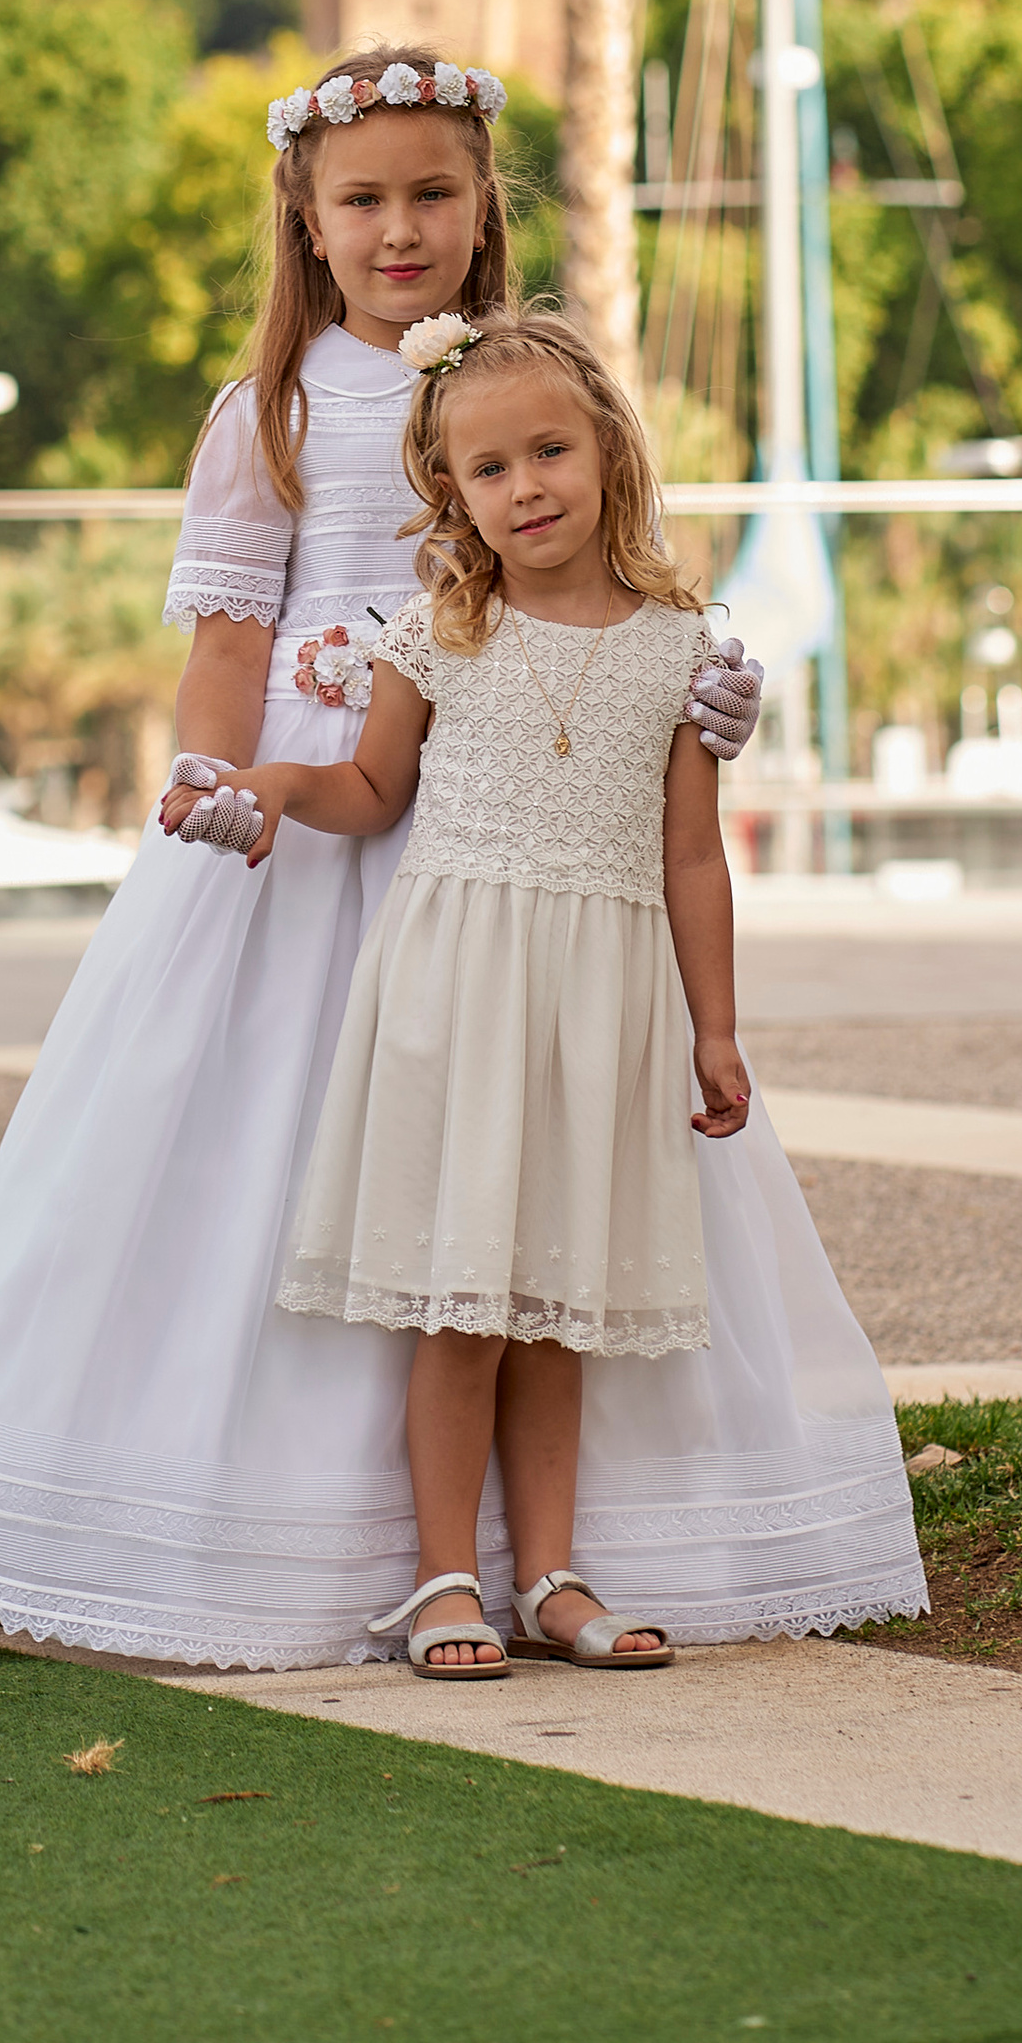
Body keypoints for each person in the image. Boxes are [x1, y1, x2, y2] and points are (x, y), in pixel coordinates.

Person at [0, 44, 923, 1668]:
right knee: (296, 1171)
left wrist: (707, 688)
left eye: (434, 194)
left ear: (484, 208)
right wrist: (218, 786)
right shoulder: (278, 413)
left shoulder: (537, 393)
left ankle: (563, 1551)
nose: (401, 229)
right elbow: (236, 646)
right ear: (305, 221)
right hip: (336, 814)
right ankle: (328, 1546)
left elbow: (607, 599)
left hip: (520, 859)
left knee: (538, 1197)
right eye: (363, 200)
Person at [202, 307, 749, 1675]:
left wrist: (718, 1030)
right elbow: (369, 789)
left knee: (556, 1305)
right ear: (454, 493)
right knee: (462, 1303)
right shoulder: (436, 630)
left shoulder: (684, 649)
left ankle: (552, 1575)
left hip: (600, 1010)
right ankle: (447, 1575)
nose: (529, 489)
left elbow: (691, 855)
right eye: (491, 471)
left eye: (551, 451)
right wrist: (269, 790)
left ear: (611, 452)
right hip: (456, 999)